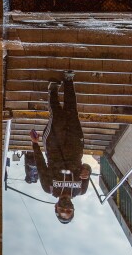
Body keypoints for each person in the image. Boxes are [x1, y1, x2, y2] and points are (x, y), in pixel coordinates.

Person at [30, 71, 92, 224]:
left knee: (57, 117)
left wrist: (35, 144)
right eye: (68, 211)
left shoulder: (49, 188)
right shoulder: (81, 190)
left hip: (53, 147)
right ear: (73, 209)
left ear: (56, 208)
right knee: (72, 113)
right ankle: (69, 80)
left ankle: (52, 90)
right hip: (76, 146)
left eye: (62, 211)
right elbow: (86, 167)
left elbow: (41, 166)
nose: (65, 208)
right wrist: (87, 171)